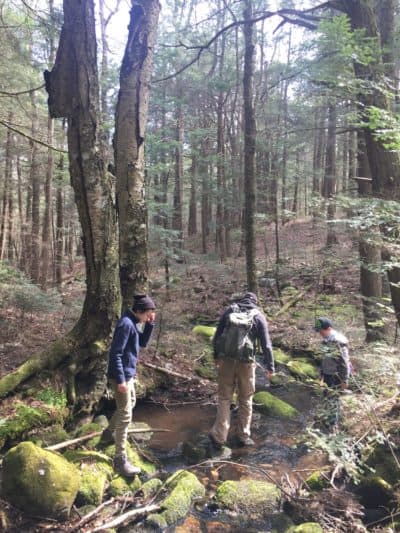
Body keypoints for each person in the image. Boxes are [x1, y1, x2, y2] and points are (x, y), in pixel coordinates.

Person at [100, 294, 156, 476]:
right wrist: (121, 380)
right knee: (126, 414)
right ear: (139, 310)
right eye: (148, 313)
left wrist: (150, 325)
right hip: (121, 376)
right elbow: (115, 354)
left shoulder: (132, 323)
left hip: (127, 374)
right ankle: (120, 459)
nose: (149, 316)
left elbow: (142, 343)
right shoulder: (125, 324)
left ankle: (108, 434)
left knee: (130, 404)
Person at [209, 292, 274, 449]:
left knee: (225, 398)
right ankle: (244, 435)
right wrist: (270, 366)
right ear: (255, 302)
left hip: (227, 360)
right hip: (247, 363)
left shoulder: (230, 310)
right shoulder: (258, 316)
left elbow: (218, 334)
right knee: (245, 399)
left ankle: (220, 436)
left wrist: (217, 355)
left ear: (242, 300)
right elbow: (266, 344)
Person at [314, 317, 351, 391]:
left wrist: (344, 380)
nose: (320, 333)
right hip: (328, 375)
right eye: (318, 331)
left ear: (329, 328)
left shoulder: (338, 341)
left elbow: (344, 362)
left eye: (321, 331)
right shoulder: (326, 340)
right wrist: (322, 376)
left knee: (333, 398)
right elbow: (324, 359)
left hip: (336, 377)